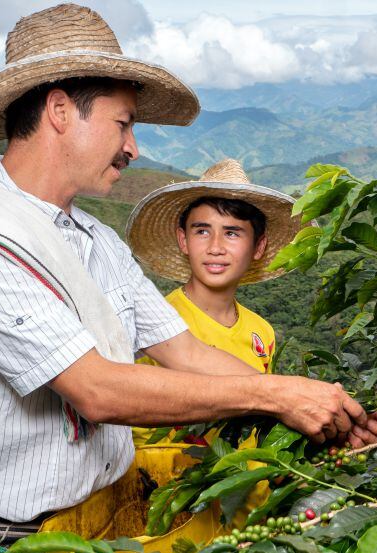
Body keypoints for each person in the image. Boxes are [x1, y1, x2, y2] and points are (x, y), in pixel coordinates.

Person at [0, 3, 377, 553]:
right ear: (59, 112)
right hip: (11, 550)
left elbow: (186, 352)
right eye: (123, 123)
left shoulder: (96, 240)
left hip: (98, 530)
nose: (133, 147)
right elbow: (95, 390)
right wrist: (278, 396)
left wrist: (328, 411)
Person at [126, 158, 300, 446]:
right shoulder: (156, 322)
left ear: (259, 246)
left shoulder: (262, 332)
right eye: (202, 231)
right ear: (183, 240)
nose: (215, 247)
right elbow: (138, 432)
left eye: (232, 233)